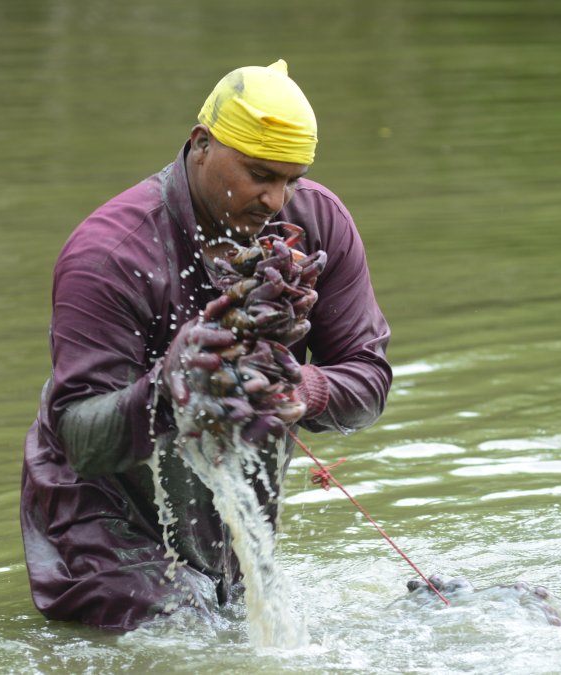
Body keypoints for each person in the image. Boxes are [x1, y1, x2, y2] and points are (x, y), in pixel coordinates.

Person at [20, 60, 392, 632]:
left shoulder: (316, 225)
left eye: (291, 179)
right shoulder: (111, 255)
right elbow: (80, 437)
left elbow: (367, 379)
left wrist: (301, 387)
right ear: (200, 145)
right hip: (102, 516)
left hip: (224, 505)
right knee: (184, 641)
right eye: (259, 174)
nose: (276, 199)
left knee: (235, 635)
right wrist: (171, 388)